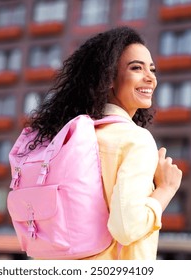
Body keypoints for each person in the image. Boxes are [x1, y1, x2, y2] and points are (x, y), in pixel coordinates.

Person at [25, 26, 182, 260]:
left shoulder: (67, 138)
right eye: (136, 68)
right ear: (109, 78)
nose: (150, 77)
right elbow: (127, 228)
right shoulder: (135, 140)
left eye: (152, 69)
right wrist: (166, 189)